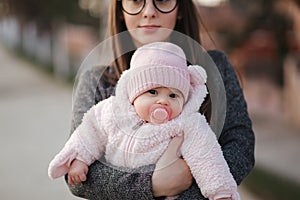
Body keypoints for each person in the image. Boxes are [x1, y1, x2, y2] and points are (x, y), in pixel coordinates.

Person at [67, 0, 255, 199]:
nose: (149, 12)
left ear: (181, 8)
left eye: (163, 0)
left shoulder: (214, 69)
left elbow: (240, 145)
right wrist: (152, 183)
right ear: (121, 10)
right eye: (136, 0)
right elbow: (78, 177)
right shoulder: (97, 81)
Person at [49, 42, 240, 200]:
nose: (163, 101)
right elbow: (88, 134)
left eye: (173, 95)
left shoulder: (188, 124)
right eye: (153, 92)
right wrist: (80, 159)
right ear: (133, 95)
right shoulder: (112, 112)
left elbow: (207, 157)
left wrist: (220, 192)